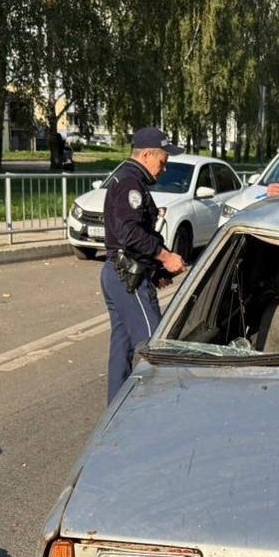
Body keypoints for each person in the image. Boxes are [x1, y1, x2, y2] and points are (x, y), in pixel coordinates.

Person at [101, 127, 186, 403]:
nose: (164, 168)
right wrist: (165, 257)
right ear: (147, 155)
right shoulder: (130, 183)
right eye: (163, 161)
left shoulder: (129, 178)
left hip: (121, 273)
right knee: (155, 347)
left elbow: (137, 234)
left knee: (122, 348)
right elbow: (130, 234)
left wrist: (157, 270)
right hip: (129, 278)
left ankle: (115, 413)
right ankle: (157, 411)